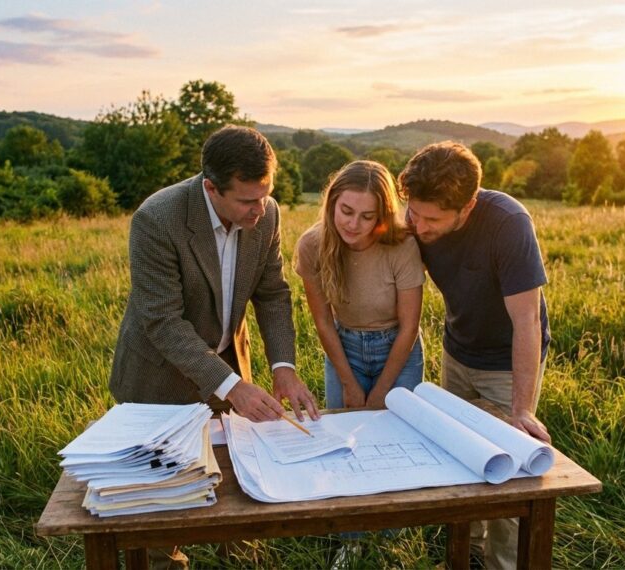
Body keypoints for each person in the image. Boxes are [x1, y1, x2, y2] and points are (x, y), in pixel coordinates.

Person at [108, 125, 319, 567]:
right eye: (247, 200)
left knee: (237, 489)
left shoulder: (269, 215)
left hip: (228, 365)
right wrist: (232, 386)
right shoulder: (156, 220)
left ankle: (239, 559)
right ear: (210, 188)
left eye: (266, 195)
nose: (260, 209)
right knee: (160, 504)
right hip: (156, 380)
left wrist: (283, 366)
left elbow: (273, 293)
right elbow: (162, 321)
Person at [398, 141, 552, 570]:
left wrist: (522, 408)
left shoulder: (508, 223)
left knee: (508, 469)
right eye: (413, 211)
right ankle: (465, 553)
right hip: (457, 350)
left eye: (432, 219)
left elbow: (527, 322)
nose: (419, 225)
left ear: (466, 208)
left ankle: (502, 562)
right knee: (459, 456)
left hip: (507, 360)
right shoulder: (415, 218)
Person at [295, 160, 425, 411]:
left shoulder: (403, 246)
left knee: (395, 433)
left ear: (382, 215)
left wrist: (382, 391)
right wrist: (348, 383)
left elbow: (410, 326)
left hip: (398, 349)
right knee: (343, 430)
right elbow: (323, 321)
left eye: (367, 217)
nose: (354, 225)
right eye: (346, 211)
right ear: (332, 202)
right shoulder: (311, 245)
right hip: (345, 351)